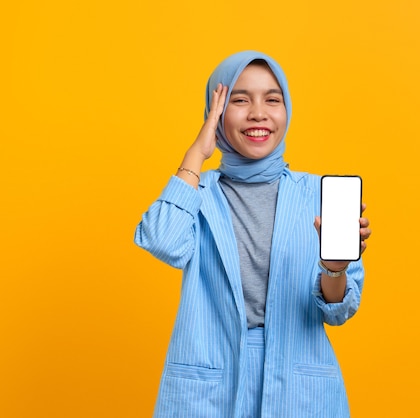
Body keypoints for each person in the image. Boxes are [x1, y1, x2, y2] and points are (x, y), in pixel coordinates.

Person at [134, 50, 371, 418]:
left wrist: (335, 267)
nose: (258, 112)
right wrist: (197, 152)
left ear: (287, 110)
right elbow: (163, 239)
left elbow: (339, 310)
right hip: (212, 383)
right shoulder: (198, 192)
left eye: (272, 100)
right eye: (240, 100)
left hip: (299, 386)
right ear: (216, 113)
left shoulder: (317, 194)